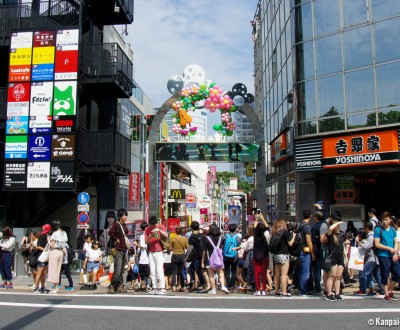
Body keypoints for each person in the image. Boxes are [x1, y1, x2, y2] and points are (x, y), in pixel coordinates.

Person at [374, 211, 400, 303]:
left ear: (390, 220)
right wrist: (389, 249)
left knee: (397, 274)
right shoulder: (378, 230)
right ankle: (386, 294)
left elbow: (396, 242)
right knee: (385, 275)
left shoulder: (393, 230)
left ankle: (389, 291)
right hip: (383, 255)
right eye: (383, 220)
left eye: (386, 219)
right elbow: (377, 244)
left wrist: (395, 253)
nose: (384, 221)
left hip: (393, 255)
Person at [355, 222, 382, 296]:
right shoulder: (372, 235)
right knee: (374, 274)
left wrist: (358, 242)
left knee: (364, 273)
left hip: (372, 258)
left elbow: (366, 246)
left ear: (367, 228)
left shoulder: (371, 236)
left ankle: (362, 289)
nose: (364, 229)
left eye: (364, 228)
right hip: (376, 258)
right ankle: (374, 289)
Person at [271, 219, 296, 297]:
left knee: (276, 274)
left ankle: (276, 291)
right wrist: (294, 236)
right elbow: (290, 243)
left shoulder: (274, 233)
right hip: (284, 255)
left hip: (276, 255)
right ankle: (284, 291)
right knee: (284, 275)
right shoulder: (285, 232)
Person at [201, 224, 229, 294]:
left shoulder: (206, 238)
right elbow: (222, 247)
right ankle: (223, 286)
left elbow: (204, 250)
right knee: (220, 273)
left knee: (211, 274)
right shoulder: (221, 238)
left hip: (209, 258)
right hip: (219, 258)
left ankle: (213, 289)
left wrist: (202, 260)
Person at [108, 208, 130, 294]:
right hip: (118, 250)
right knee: (117, 270)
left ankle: (118, 286)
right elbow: (110, 232)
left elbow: (127, 233)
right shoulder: (116, 224)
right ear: (120, 216)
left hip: (124, 250)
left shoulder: (124, 225)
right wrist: (116, 239)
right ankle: (112, 286)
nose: (125, 217)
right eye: (124, 215)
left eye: (126, 215)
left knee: (121, 270)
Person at [145, 215, 168, 295]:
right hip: (151, 251)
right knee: (152, 271)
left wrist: (159, 230)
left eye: (154, 224)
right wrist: (151, 236)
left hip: (160, 251)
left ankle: (162, 288)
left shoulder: (161, 226)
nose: (152, 226)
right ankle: (154, 287)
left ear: (156, 223)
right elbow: (146, 242)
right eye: (151, 224)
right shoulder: (147, 229)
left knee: (159, 270)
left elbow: (166, 235)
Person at [325, 220, 345, 302]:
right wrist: (337, 223)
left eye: (338, 226)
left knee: (338, 276)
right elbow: (330, 228)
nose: (338, 227)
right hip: (333, 257)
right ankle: (329, 293)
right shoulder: (330, 235)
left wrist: (346, 257)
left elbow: (342, 247)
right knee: (332, 276)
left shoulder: (341, 234)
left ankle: (337, 293)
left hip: (340, 257)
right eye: (336, 226)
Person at [48, 220, 68, 294]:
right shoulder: (64, 233)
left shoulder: (54, 233)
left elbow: (52, 245)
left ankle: (55, 287)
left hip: (55, 251)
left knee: (53, 269)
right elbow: (65, 243)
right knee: (58, 269)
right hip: (61, 252)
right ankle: (57, 287)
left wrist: (49, 242)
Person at [297, 210, 314, 296]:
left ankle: (301, 288)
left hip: (299, 250)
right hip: (305, 251)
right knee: (305, 273)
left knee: (302, 272)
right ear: (310, 216)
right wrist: (312, 253)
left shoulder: (299, 225)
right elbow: (308, 240)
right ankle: (303, 290)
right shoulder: (307, 227)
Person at [187, 221, 207, 292]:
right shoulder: (202, 236)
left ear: (191, 228)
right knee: (190, 268)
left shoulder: (192, 237)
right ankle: (193, 284)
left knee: (198, 271)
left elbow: (190, 248)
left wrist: (186, 257)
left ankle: (203, 285)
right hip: (203, 255)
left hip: (196, 256)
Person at [33, 224, 51, 294]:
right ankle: (36, 288)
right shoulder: (41, 236)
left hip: (45, 256)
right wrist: (45, 249)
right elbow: (38, 246)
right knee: (39, 273)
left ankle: (42, 287)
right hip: (41, 256)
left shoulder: (47, 236)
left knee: (44, 273)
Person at [170, 226, 189, 292]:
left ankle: (174, 287)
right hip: (182, 255)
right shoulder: (185, 239)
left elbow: (170, 248)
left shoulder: (173, 238)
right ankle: (182, 286)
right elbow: (187, 248)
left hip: (175, 255)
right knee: (181, 272)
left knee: (174, 273)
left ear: (175, 231)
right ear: (181, 231)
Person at [223, 224, 241, 292]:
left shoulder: (224, 237)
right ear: (235, 229)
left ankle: (228, 284)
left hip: (226, 256)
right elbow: (238, 247)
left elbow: (222, 246)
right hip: (234, 257)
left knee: (227, 270)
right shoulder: (238, 238)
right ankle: (232, 285)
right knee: (233, 270)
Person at [134, 222, 151, 292]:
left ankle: (145, 286)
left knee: (144, 273)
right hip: (146, 257)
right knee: (145, 273)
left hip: (145, 257)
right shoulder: (149, 235)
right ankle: (146, 286)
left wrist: (136, 245)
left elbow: (144, 246)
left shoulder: (143, 236)